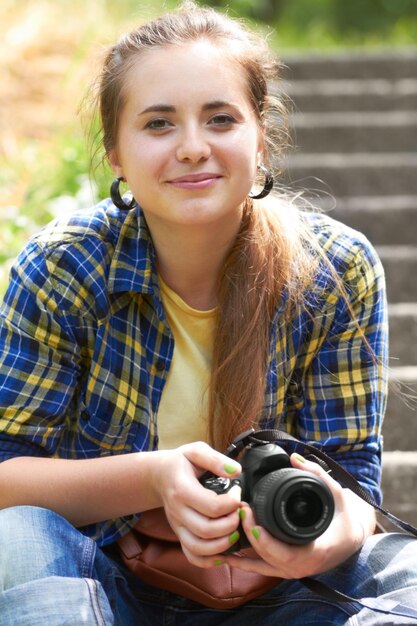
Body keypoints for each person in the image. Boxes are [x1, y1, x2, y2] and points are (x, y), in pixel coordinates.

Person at [0, 2, 416, 624]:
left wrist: (322, 543)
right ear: (115, 151)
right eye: (159, 124)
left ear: (261, 137)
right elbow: (7, 476)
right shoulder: (66, 270)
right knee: (20, 538)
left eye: (220, 119)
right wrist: (155, 478)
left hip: (284, 591)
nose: (193, 148)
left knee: (403, 567)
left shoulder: (335, 268)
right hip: (98, 579)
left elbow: (353, 479)